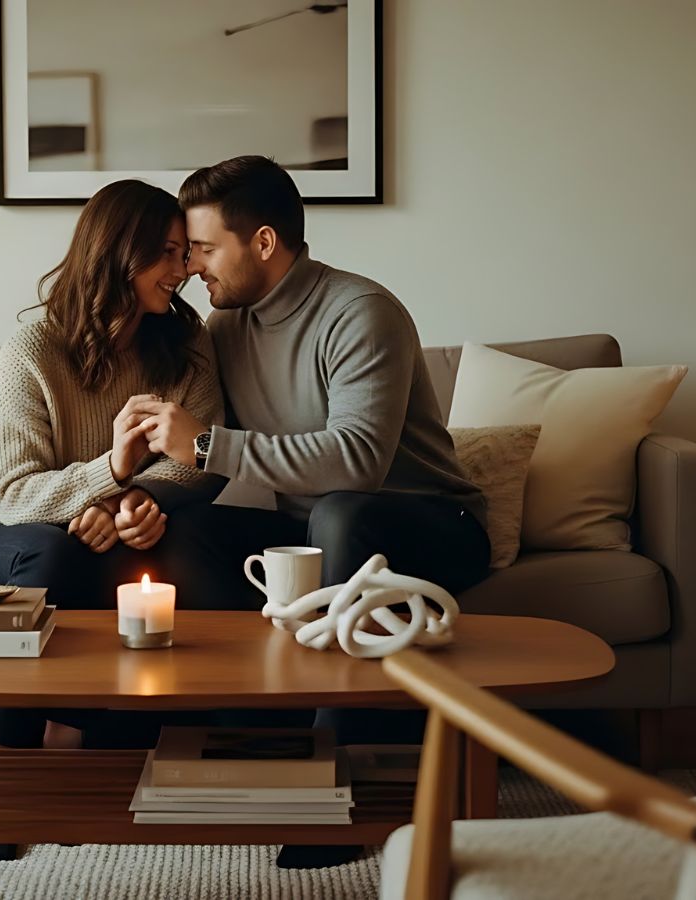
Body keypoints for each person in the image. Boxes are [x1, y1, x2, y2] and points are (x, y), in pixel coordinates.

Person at [132, 156, 492, 868]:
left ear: (263, 242)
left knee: (342, 516)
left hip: (428, 524)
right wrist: (138, 500)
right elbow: (211, 467)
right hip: (315, 527)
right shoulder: (225, 328)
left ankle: (333, 787)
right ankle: (252, 745)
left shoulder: (361, 312)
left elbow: (357, 462)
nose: (193, 267)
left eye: (204, 248)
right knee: (194, 530)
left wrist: (206, 445)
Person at [0, 179, 222, 859]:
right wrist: (111, 479)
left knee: (134, 556)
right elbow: (13, 492)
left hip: (89, 524)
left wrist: (136, 501)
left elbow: (204, 460)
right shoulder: (33, 345)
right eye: (166, 253)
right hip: (0, 529)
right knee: (52, 554)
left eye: (186, 253)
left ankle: (65, 760)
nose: (183, 270)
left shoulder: (185, 343)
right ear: (115, 253)